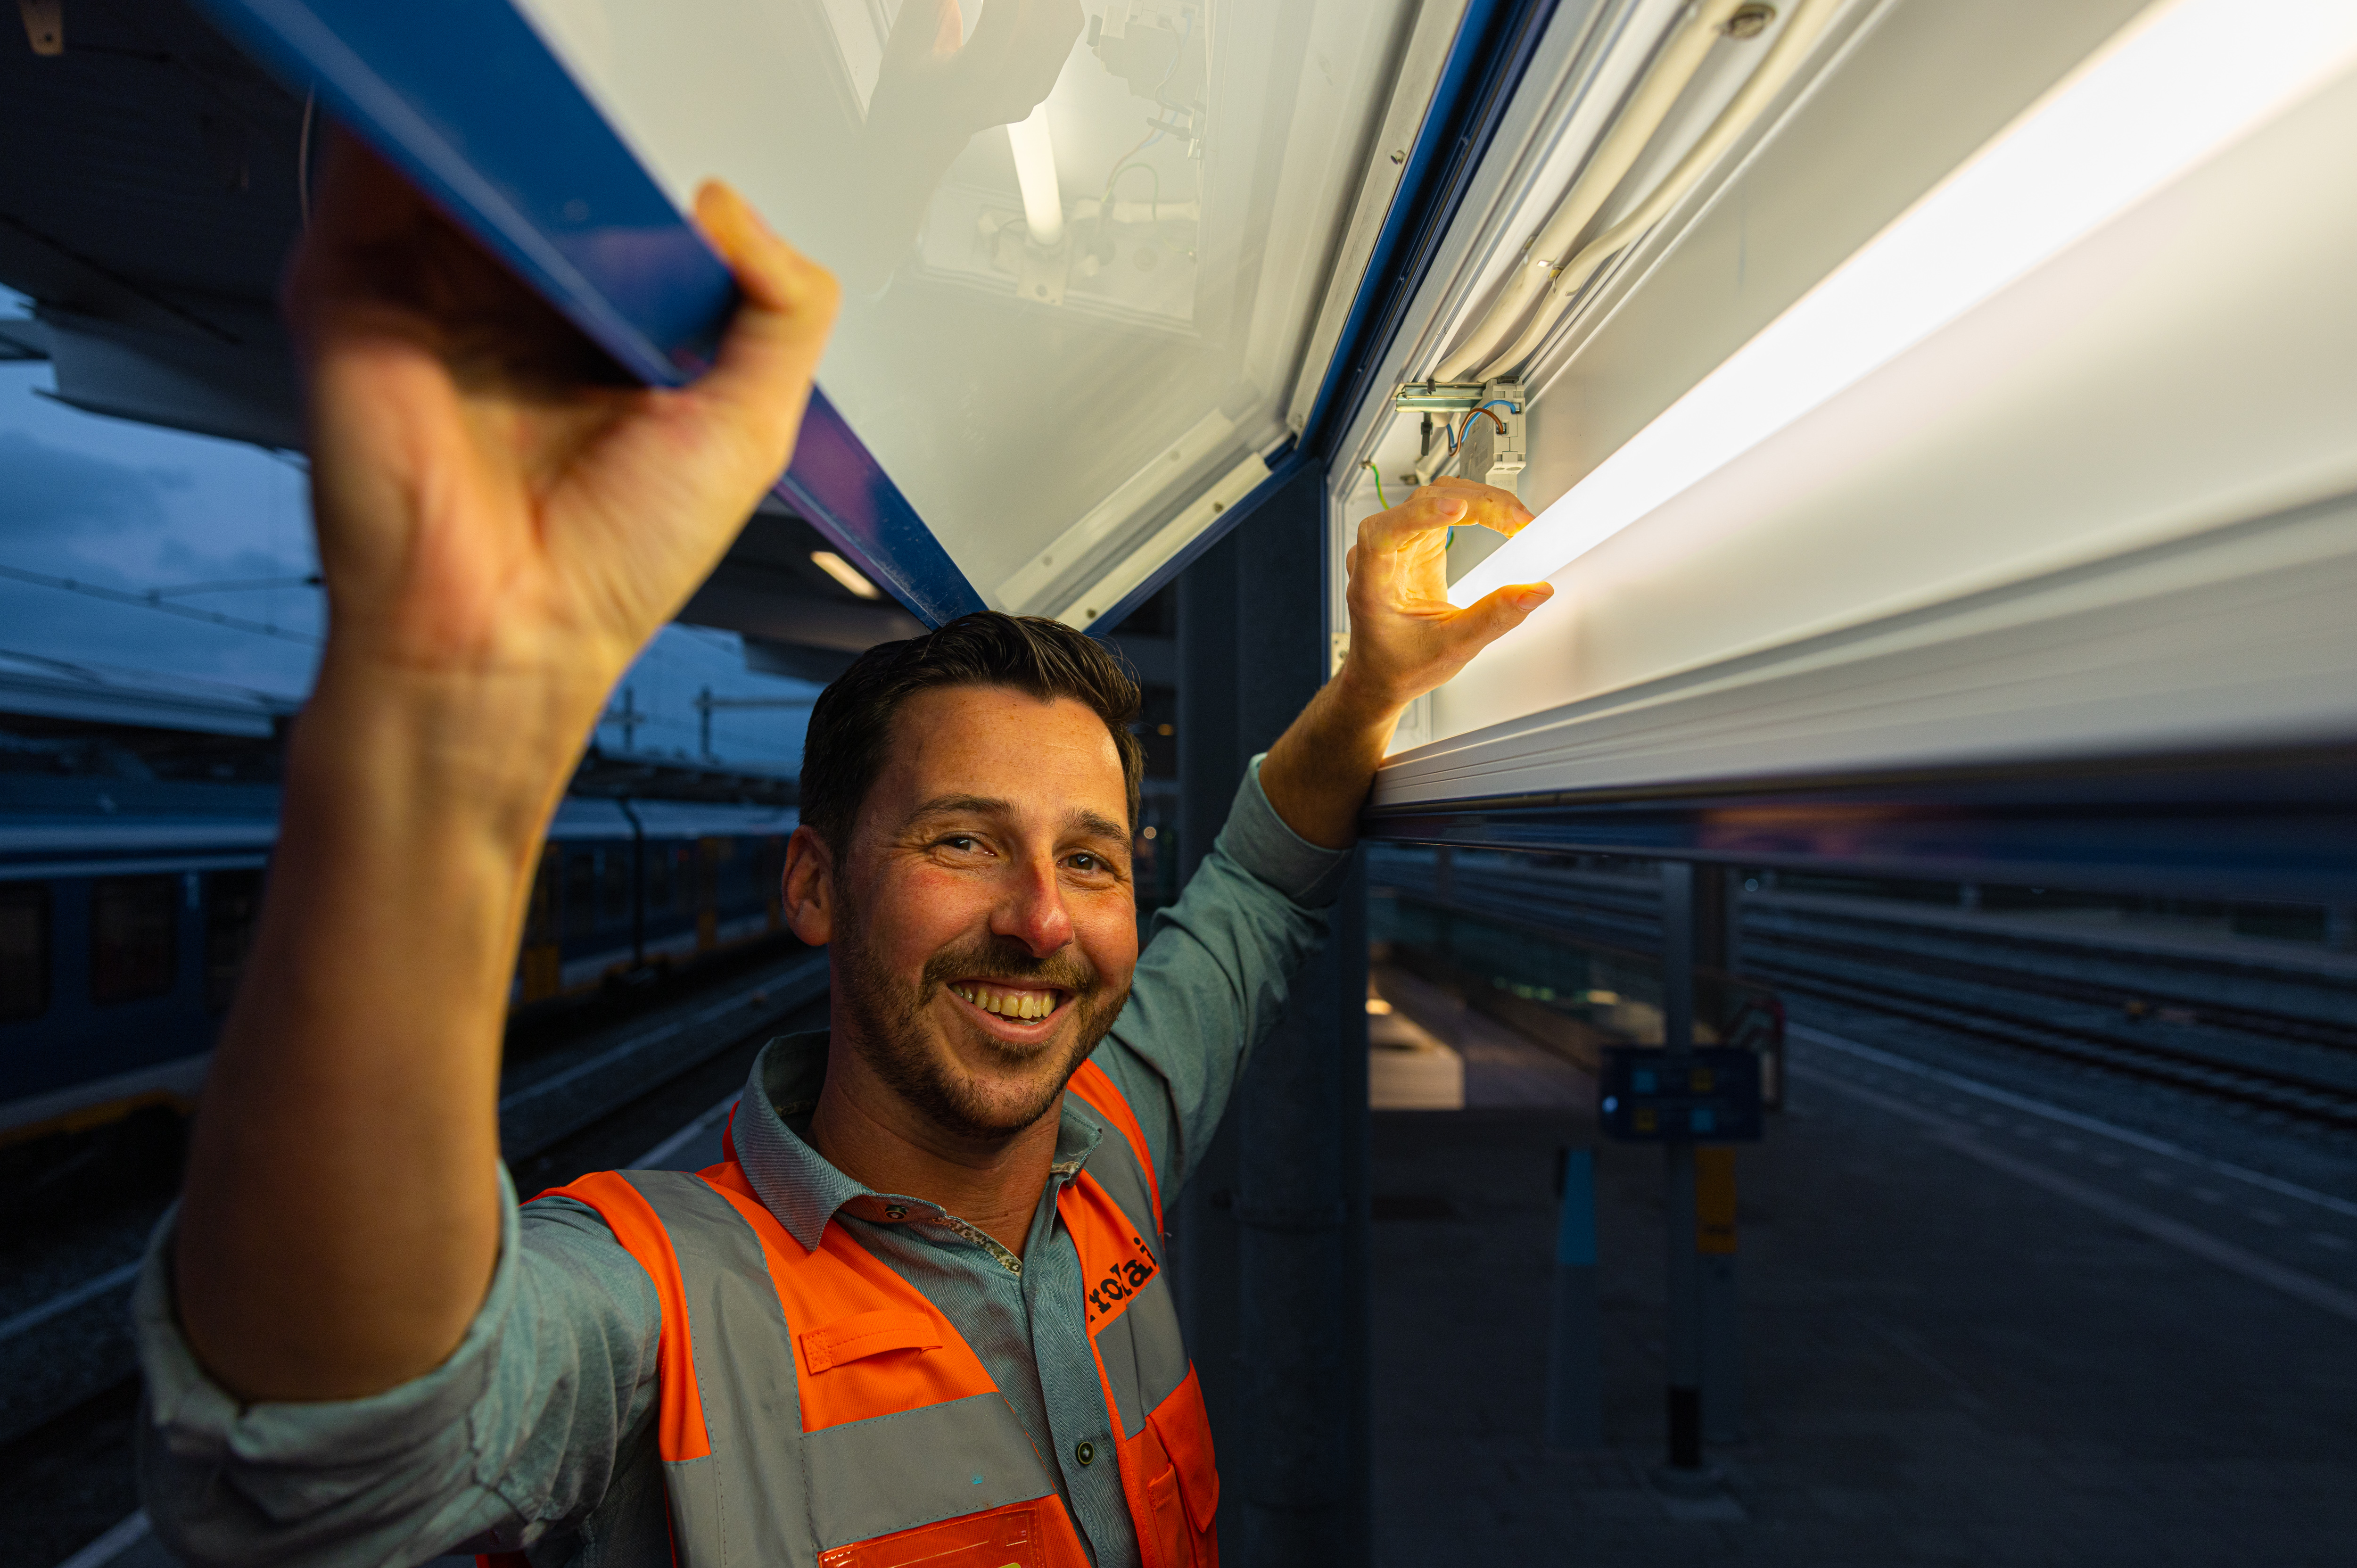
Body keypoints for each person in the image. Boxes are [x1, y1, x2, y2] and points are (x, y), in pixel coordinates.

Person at [136, 137, 1552, 1567]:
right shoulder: (659, 1304)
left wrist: (1371, 693)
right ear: (814, 884)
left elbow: (1252, 884)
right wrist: (436, 738)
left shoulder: (1108, 1142)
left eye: (1096, 859)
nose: (1044, 922)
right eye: (962, 841)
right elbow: (325, 1473)